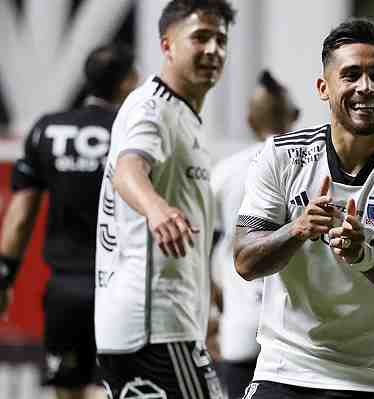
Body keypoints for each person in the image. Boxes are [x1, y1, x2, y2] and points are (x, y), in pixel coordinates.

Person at [232, 18, 374, 399]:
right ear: (324, 87)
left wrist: (362, 254)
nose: (365, 87)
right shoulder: (282, 157)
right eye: (350, 75)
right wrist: (297, 228)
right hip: (288, 369)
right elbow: (246, 262)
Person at [92, 1, 235, 398]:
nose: (213, 50)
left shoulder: (185, 115)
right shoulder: (151, 106)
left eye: (221, 39)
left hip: (161, 324)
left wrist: (210, 292)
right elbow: (128, 170)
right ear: (167, 45)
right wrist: (155, 208)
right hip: (154, 327)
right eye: (201, 37)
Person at [0, 43, 137, 399]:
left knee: (67, 389)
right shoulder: (136, 133)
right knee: (109, 389)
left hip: (65, 289)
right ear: (127, 82)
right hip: (121, 286)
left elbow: (21, 214)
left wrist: (4, 274)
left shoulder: (48, 129)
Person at [209, 69, 299, 399]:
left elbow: (208, 253)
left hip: (242, 328)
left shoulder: (224, 174)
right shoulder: (310, 170)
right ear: (294, 116)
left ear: (249, 119)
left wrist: (218, 309)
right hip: (298, 337)